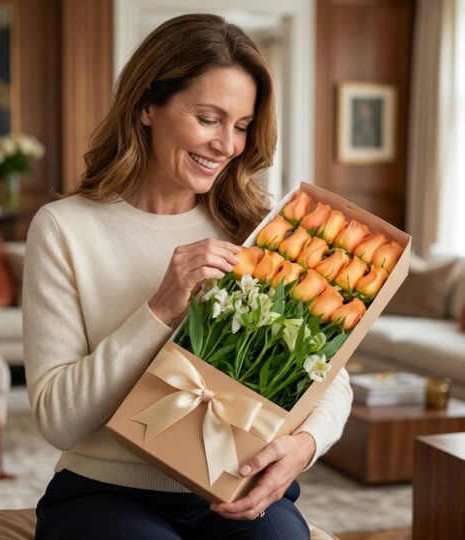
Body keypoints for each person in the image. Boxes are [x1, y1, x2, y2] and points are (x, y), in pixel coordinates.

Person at [23, 13, 353, 539]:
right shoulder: (64, 228)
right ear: (147, 106)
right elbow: (58, 419)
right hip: (105, 492)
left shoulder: (256, 223)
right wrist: (161, 308)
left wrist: (304, 447)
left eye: (242, 126)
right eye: (208, 118)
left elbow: (330, 378)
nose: (228, 145)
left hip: (235, 491)